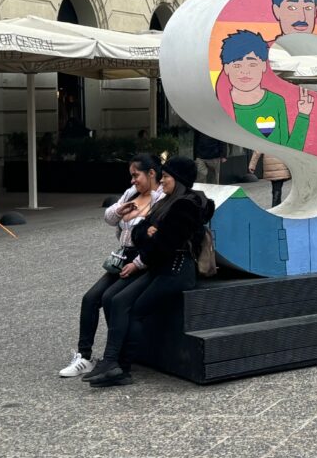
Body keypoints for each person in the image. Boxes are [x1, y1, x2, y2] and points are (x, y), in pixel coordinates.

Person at [86, 156, 213, 388]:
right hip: (159, 266)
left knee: (132, 309)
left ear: (179, 179)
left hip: (175, 271)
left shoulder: (186, 204)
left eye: (166, 176)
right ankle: (112, 362)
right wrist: (149, 232)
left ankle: (120, 366)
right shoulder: (166, 202)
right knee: (118, 299)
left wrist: (147, 246)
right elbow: (140, 232)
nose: (162, 181)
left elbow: (164, 243)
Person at [58, 154, 164, 378]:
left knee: (112, 299)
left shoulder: (160, 198)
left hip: (142, 258)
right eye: (131, 176)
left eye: (136, 175)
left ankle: (115, 356)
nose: (133, 180)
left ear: (151, 173)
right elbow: (108, 217)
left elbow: (155, 232)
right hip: (121, 255)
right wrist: (121, 210)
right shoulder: (131, 193)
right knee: (90, 298)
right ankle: (84, 356)